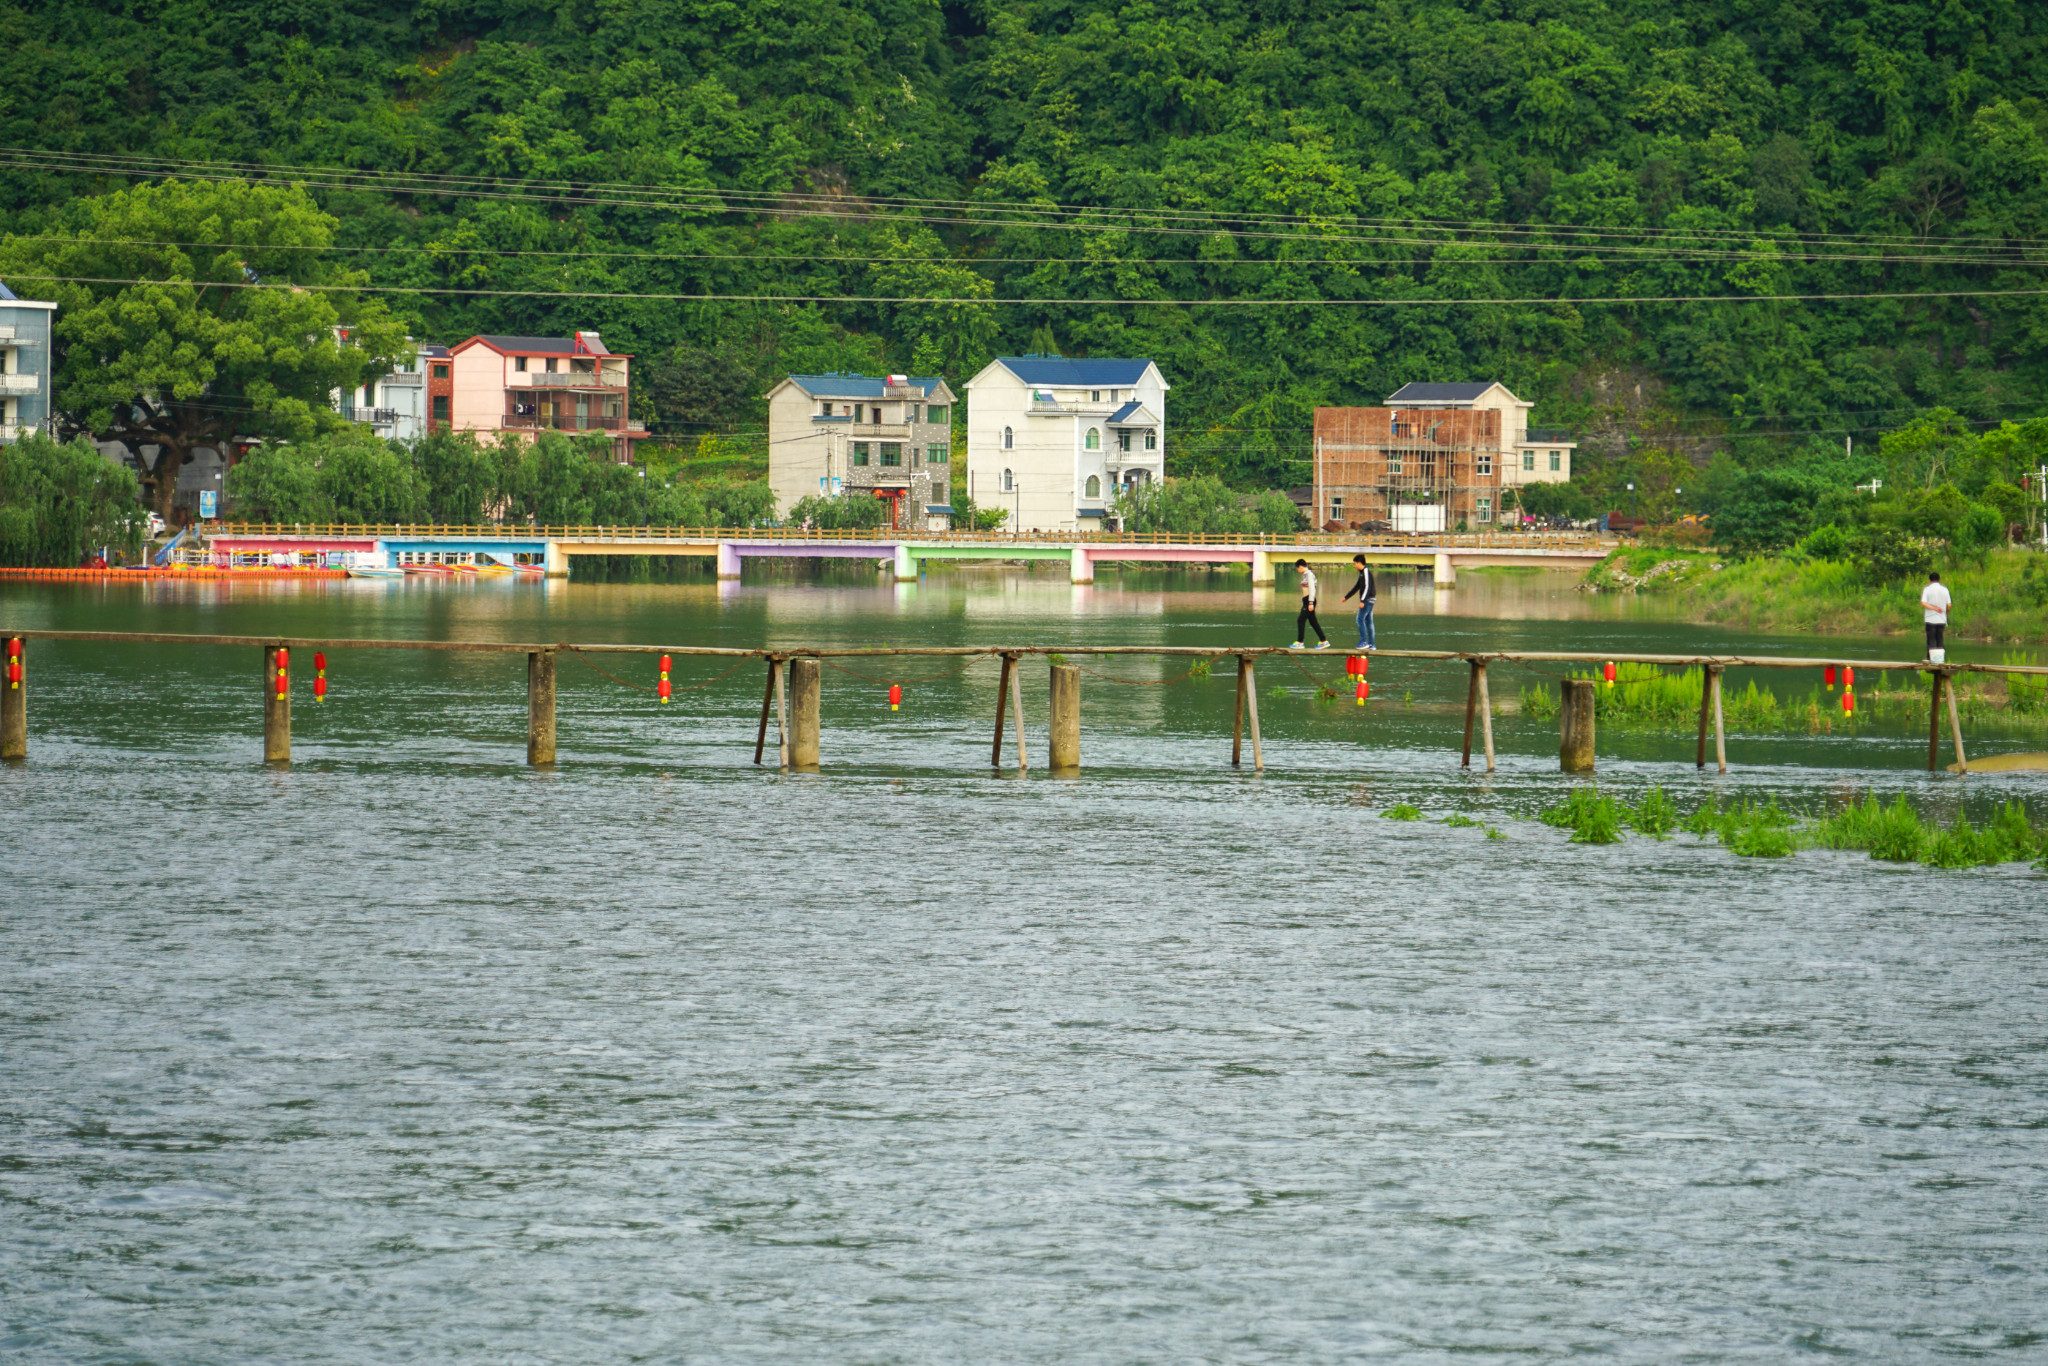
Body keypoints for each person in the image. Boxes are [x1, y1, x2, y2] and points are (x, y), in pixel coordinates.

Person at [1290, 558, 1329, 649]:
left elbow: (1312, 589)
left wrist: (1310, 603)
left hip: (1309, 601)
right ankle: (1324, 641)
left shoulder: (1309, 575)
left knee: (1300, 620)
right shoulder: (1306, 575)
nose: (1297, 570)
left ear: (1300, 567)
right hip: (1306, 600)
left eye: (1297, 569)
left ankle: (1300, 642)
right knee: (1313, 622)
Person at [1342, 552, 1376, 651]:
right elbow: (1357, 587)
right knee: (1369, 621)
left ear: (1359, 563)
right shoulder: (1362, 574)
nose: (1354, 565)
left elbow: (1367, 587)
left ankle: (1363, 642)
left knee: (1360, 619)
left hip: (1368, 599)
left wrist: (1362, 600)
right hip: (1370, 599)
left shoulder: (1365, 571)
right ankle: (1372, 645)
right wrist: (1346, 597)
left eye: (1355, 563)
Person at [1921, 570, 1951, 659]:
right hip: (1941, 619)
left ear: (1929, 580)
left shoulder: (1927, 589)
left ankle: (1930, 660)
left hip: (1930, 620)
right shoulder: (1945, 590)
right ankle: (1940, 660)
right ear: (1939, 580)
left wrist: (1933, 608)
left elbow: (1923, 603)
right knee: (1940, 640)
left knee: (1931, 641)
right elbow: (1948, 605)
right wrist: (1945, 614)